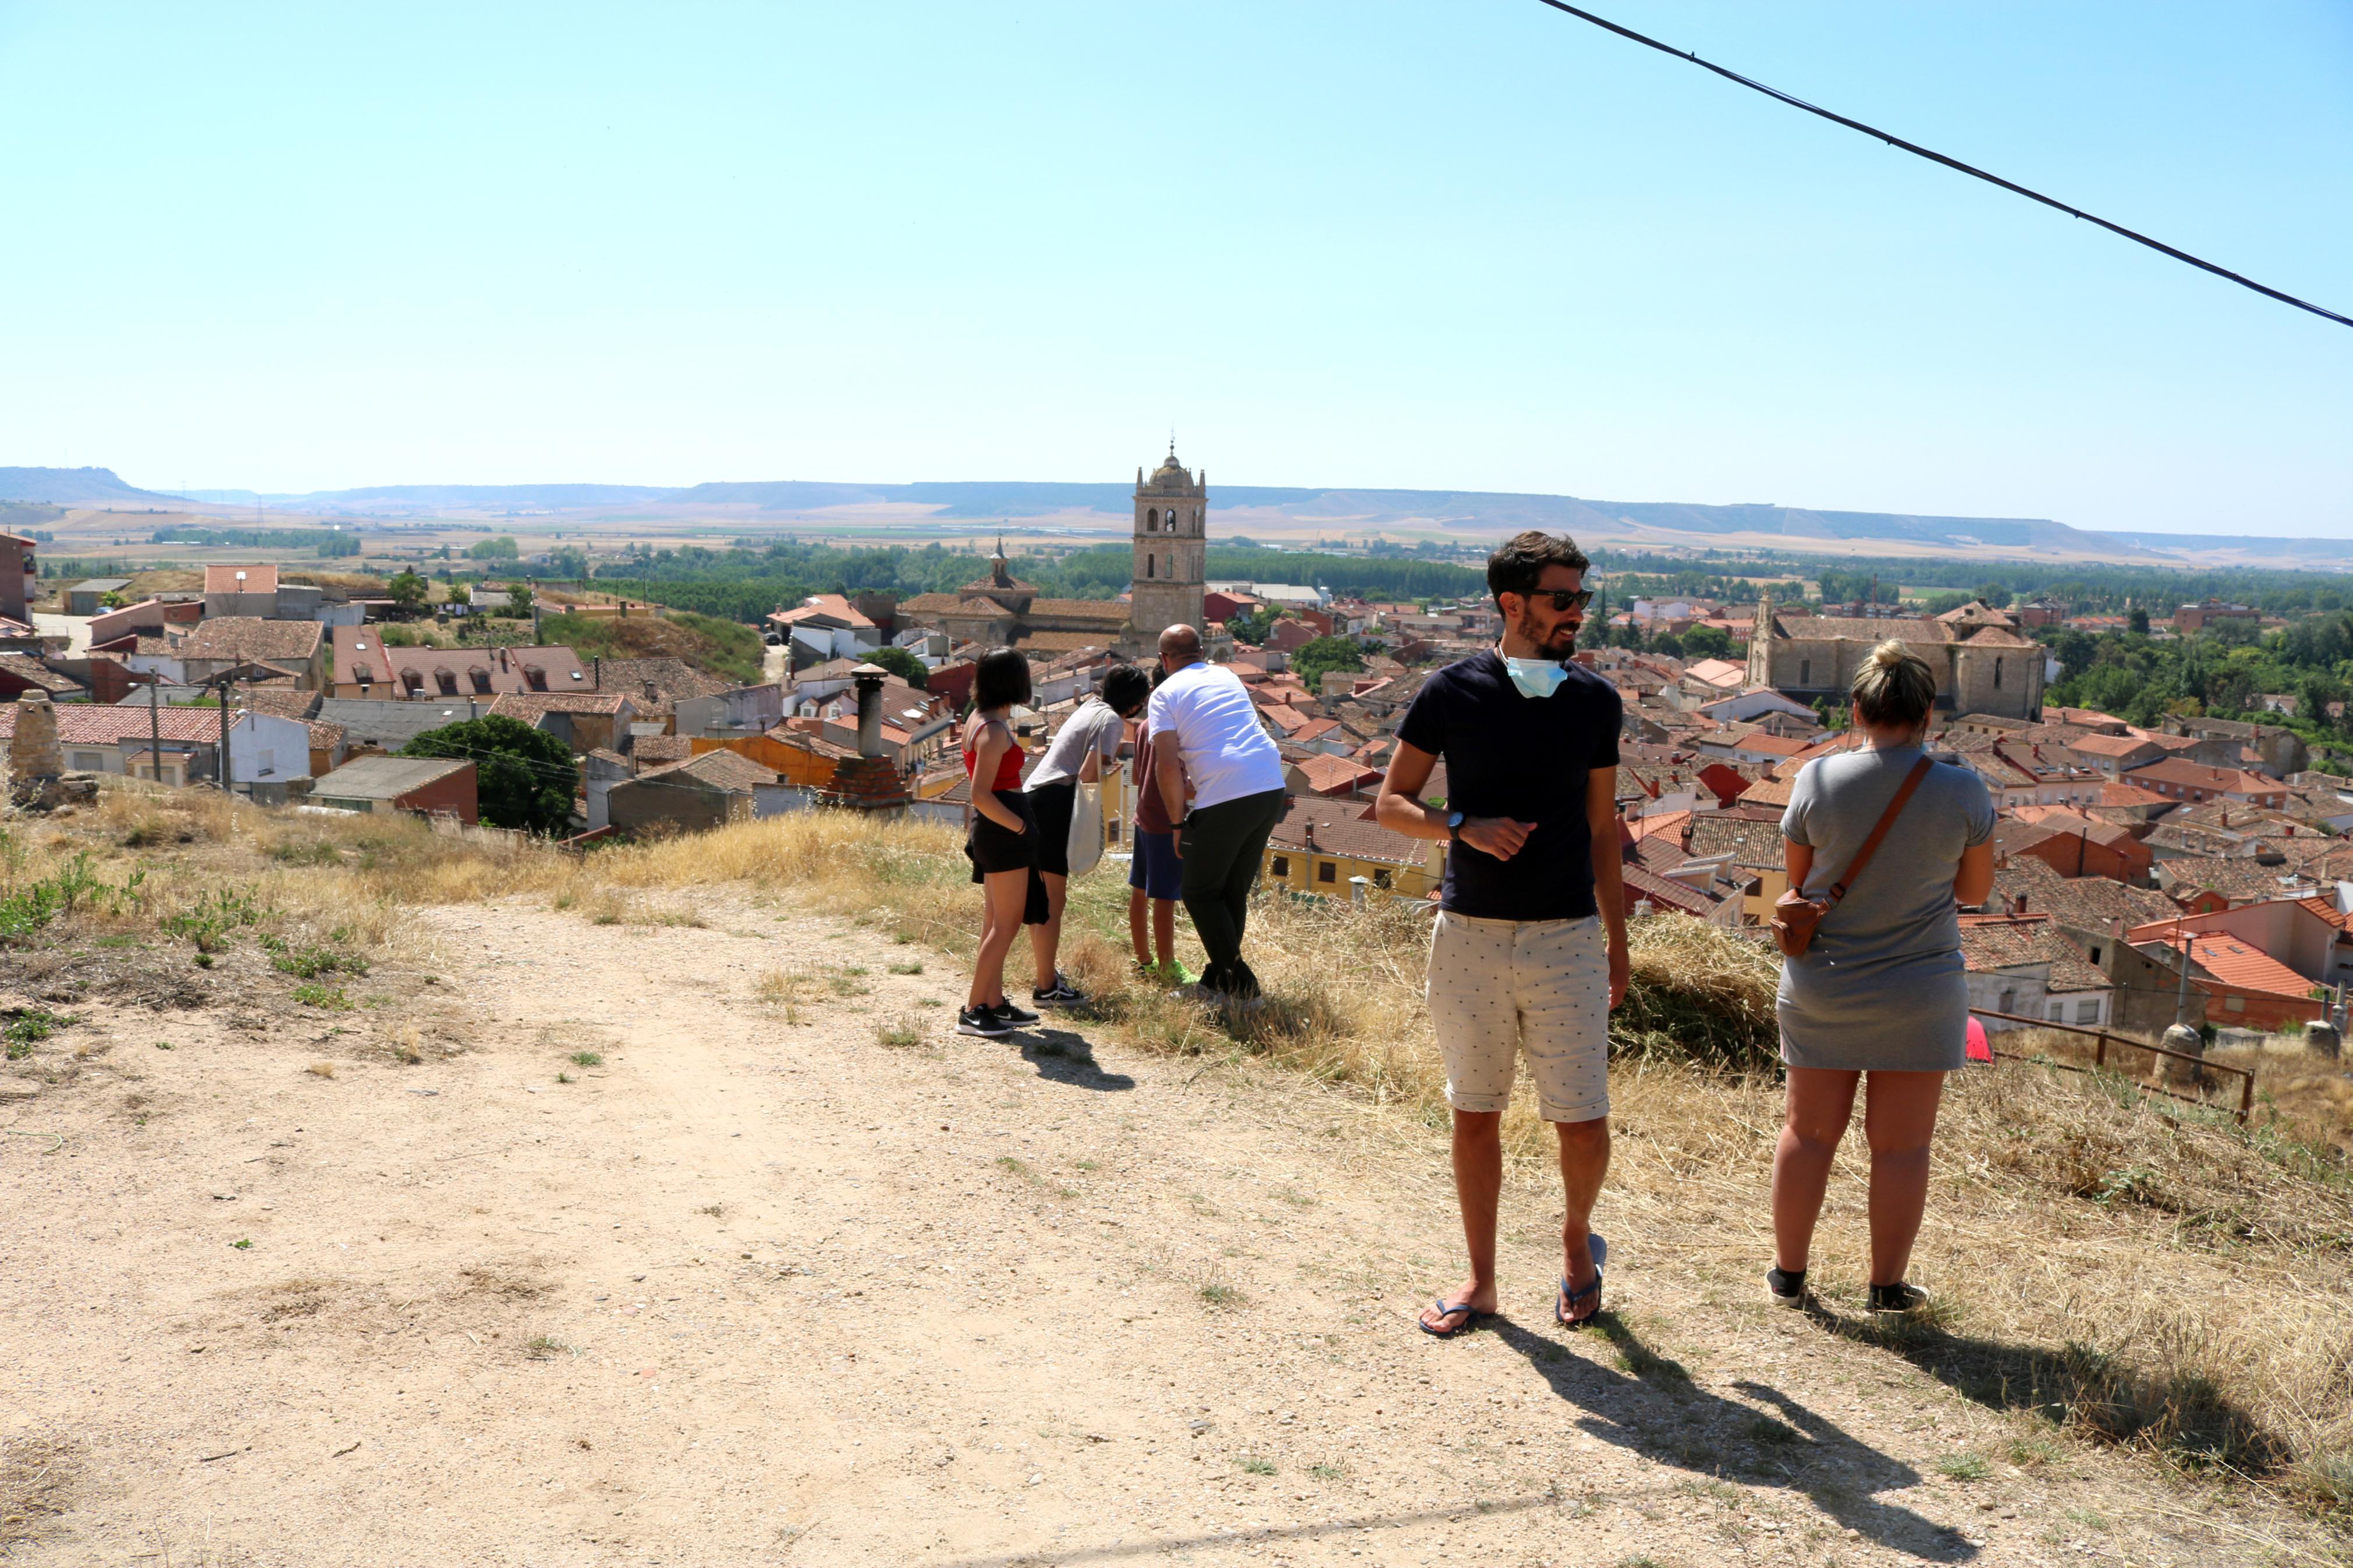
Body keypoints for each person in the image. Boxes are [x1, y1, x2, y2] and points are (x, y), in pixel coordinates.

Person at [1375, 530, 1628, 1337]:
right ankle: (1480, 1282)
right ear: (1510, 603)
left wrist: (1618, 941)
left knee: (1582, 1118)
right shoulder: (1451, 691)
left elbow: (1601, 829)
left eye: (1582, 598)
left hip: (1566, 935)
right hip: (1470, 934)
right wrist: (1462, 825)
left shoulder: (1595, 701)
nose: (1576, 613)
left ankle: (1572, 1239)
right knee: (1473, 1111)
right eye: (1562, 598)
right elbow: (1389, 803)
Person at [1769, 640, 1995, 1314]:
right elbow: (1976, 892)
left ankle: (1787, 1277)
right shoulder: (1963, 790)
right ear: (1927, 712)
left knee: (1807, 1134)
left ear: (1857, 709)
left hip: (1823, 982)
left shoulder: (1815, 779)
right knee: (1901, 1148)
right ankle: (1884, 1288)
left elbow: (1799, 882)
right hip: (1920, 988)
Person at [1146, 624, 1287, 1000]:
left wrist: (1177, 822)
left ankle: (1243, 986)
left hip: (1228, 792)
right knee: (1230, 890)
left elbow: (1166, 767)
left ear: (1164, 659)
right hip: (1270, 784)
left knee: (1198, 891)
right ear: (1203, 651)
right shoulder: (1226, 675)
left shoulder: (1163, 695)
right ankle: (1216, 983)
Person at [1023, 663, 1154, 1006]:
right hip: (1056, 801)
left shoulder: (1090, 707)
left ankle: (1045, 975)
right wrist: (1091, 817)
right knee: (1054, 900)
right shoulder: (1111, 720)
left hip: (1035, 796)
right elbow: (1088, 773)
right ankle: (1047, 987)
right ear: (1137, 701)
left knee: (1041, 898)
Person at [957, 649, 1045, 1039]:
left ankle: (993, 1002)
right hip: (1002, 828)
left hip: (994, 830)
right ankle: (973, 1008)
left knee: (995, 922)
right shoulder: (992, 731)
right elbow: (981, 794)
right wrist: (1020, 828)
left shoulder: (976, 719)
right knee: (1006, 924)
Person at [1127, 665, 1191, 983]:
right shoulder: (1175, 730)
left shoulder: (1143, 727)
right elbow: (1173, 780)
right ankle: (1168, 968)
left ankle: (1144, 960)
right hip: (1166, 820)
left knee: (1139, 890)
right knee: (1165, 896)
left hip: (1143, 815)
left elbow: (1138, 776)